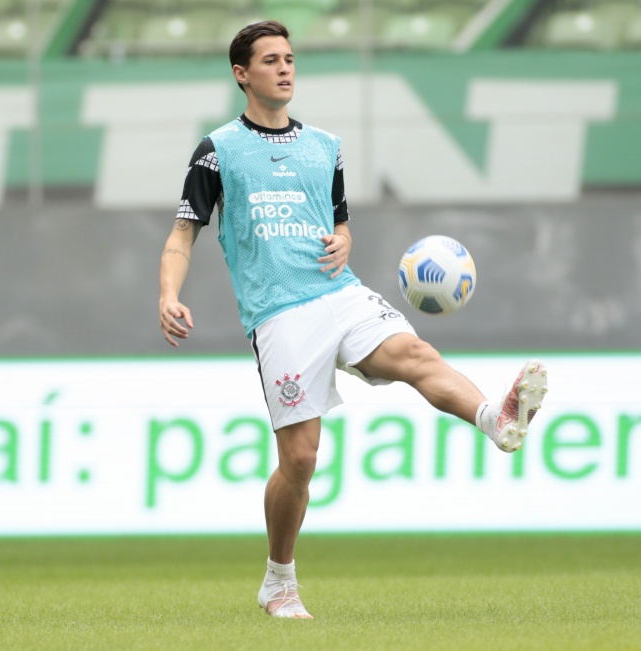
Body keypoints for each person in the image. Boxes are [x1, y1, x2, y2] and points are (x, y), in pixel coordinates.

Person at [157, 20, 548, 619]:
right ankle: (278, 581)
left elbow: (339, 219)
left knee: (418, 357)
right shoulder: (217, 151)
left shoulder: (325, 145)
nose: (285, 68)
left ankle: (495, 419)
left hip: (338, 292)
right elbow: (183, 234)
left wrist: (343, 238)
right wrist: (169, 295)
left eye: (289, 58)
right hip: (279, 313)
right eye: (270, 60)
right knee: (302, 460)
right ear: (242, 74)